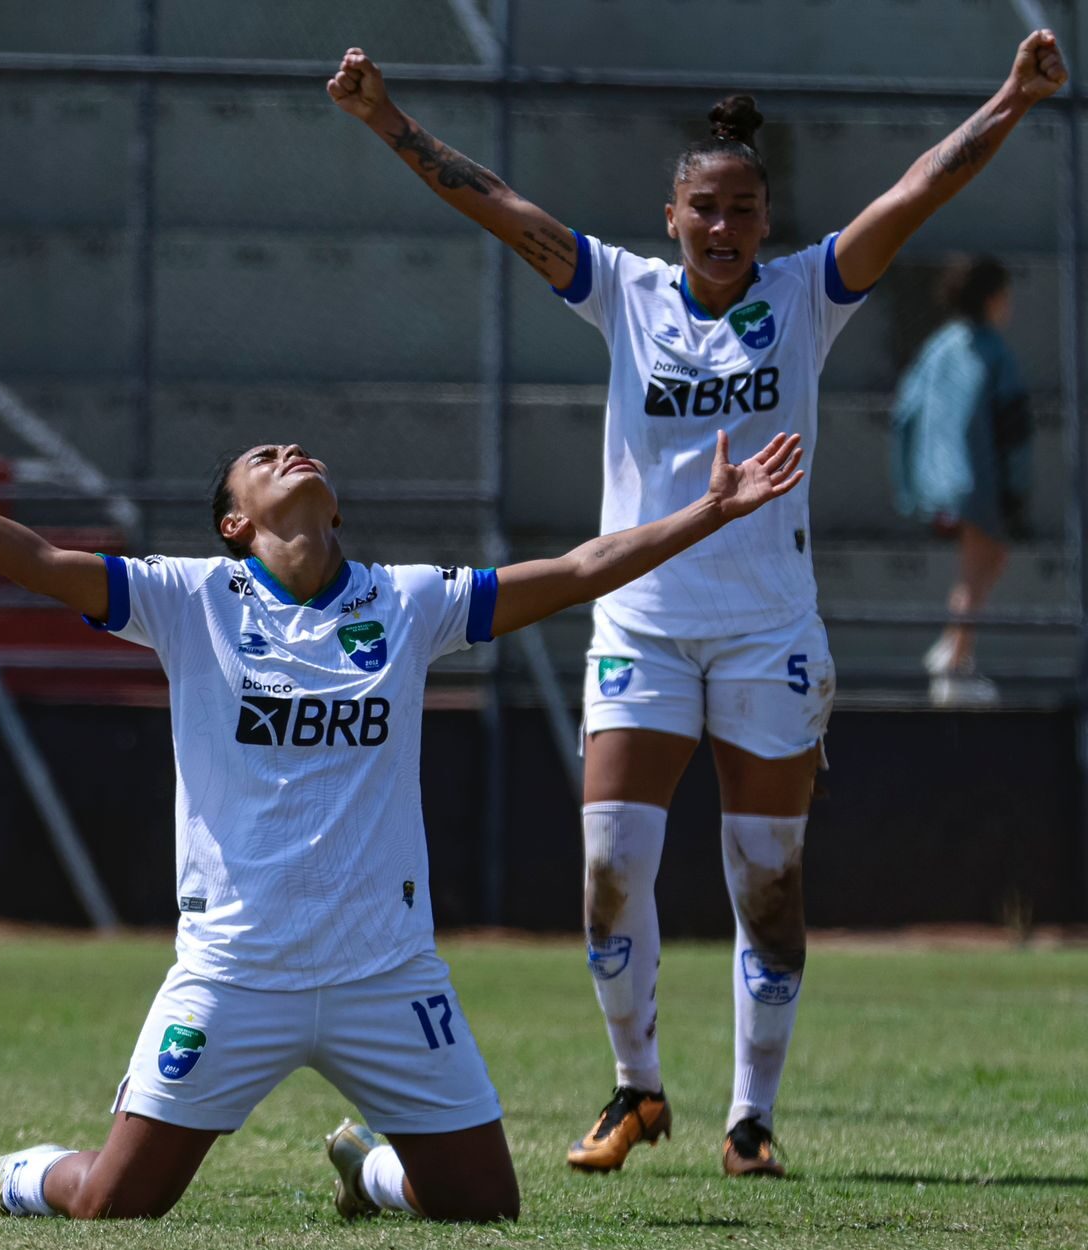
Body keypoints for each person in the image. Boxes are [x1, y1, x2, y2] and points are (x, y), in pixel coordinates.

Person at [329, 30, 1066, 1177]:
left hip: (771, 628)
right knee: (610, 868)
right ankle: (636, 1089)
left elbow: (922, 187)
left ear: (764, 219)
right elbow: (498, 206)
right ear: (669, 216)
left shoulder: (808, 291)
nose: (723, 228)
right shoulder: (621, 291)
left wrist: (1012, 99)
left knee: (766, 880)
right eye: (703, 210)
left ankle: (751, 1116)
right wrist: (388, 124)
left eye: (742, 210)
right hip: (640, 624)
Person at [0, 394, 802, 1222]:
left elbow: (579, 568)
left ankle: (370, 1166)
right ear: (233, 523)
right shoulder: (188, 598)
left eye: (296, 452)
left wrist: (710, 512)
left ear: (338, 508)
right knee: (116, 1202)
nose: (288, 454)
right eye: (261, 461)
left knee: (485, 1205)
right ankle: (17, 1175)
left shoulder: (405, 602)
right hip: (236, 971)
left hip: (383, 974)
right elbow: (43, 559)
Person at [891, 255, 1030, 706]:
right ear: (992, 299)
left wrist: (915, 477)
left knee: (991, 556)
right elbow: (1013, 426)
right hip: (977, 479)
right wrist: (1016, 487)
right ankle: (954, 666)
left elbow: (904, 411)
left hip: (940, 477)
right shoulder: (993, 350)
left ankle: (951, 647)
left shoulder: (939, 346)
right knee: (975, 570)